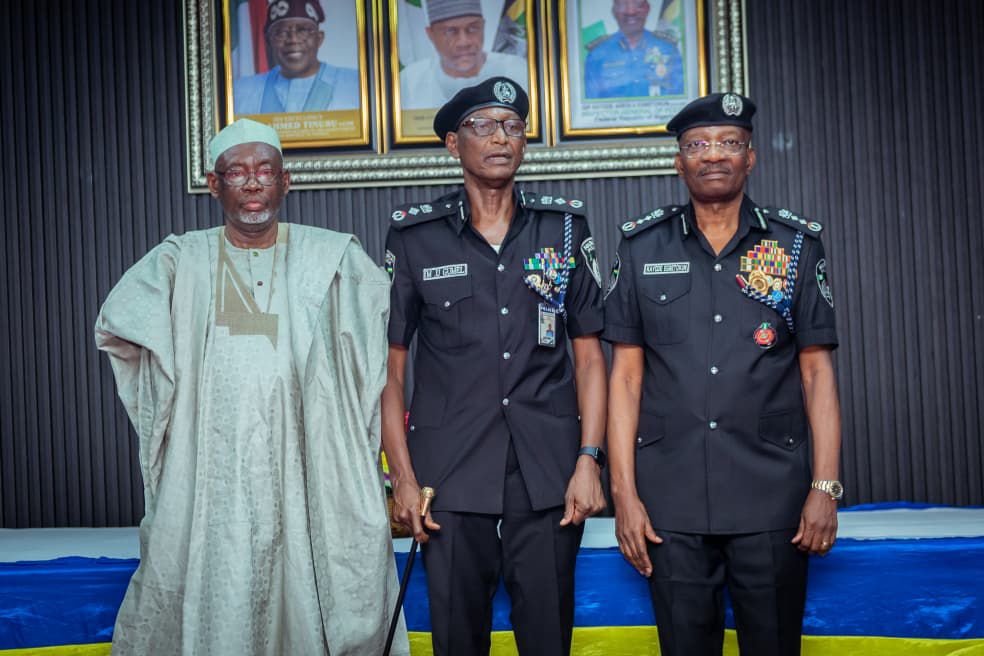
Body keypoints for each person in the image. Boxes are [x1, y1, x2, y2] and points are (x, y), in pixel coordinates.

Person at [94, 118, 407, 656]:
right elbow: (119, 328)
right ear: (214, 185)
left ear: (286, 181)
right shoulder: (179, 260)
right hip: (212, 471)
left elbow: (374, 360)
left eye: (265, 169)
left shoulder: (333, 259)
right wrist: (173, 409)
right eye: (236, 172)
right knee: (221, 585)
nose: (253, 181)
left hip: (311, 463)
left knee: (316, 586)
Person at [604, 92, 843, 656]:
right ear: (678, 162)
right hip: (670, 502)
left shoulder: (794, 245)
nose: (714, 155)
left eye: (729, 142)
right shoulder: (641, 246)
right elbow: (625, 380)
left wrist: (825, 487)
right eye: (698, 145)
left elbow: (817, 375)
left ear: (750, 157)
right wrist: (624, 496)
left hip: (772, 500)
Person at [381, 77, 607, 655]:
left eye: (512, 126)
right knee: (458, 638)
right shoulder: (415, 236)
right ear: (453, 144)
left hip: (549, 470)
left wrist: (589, 459)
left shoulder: (564, 228)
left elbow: (589, 359)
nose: (500, 138)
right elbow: (390, 371)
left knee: (548, 637)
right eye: (482, 126)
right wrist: (402, 478)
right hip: (448, 475)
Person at [235, 0, 359, 115]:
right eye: (281, 33)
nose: (293, 40)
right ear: (268, 42)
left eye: (303, 30)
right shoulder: (241, 91)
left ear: (319, 38)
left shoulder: (356, 84)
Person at [400, 0, 529, 110]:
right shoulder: (410, 80)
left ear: (483, 26)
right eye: (450, 31)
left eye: (473, 28)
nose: (464, 42)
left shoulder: (518, 71)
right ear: (431, 34)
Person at [584, 0, 683, 99]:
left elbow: (680, 98)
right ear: (614, 11)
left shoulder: (668, 49)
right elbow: (591, 101)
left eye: (638, 5)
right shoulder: (597, 54)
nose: (631, 11)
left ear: (647, 9)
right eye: (623, 5)